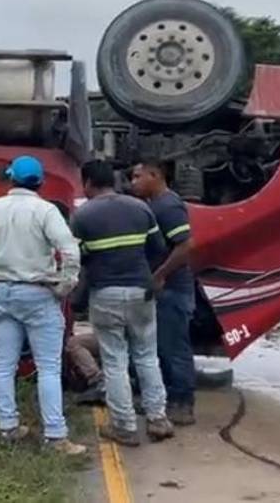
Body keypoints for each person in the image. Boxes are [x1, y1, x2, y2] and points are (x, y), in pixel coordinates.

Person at [0, 155, 87, 455]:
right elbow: (69, 250)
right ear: (39, 182)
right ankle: (55, 436)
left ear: (10, 179)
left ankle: (8, 427)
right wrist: (64, 286)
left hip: (2, 292)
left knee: (4, 364)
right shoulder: (45, 211)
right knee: (49, 368)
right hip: (38, 294)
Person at [70, 160, 174, 447]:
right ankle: (158, 419)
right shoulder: (140, 208)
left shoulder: (83, 215)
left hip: (106, 294)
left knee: (115, 361)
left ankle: (125, 427)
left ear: (88, 182)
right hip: (141, 291)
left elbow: (76, 258)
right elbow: (159, 249)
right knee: (146, 355)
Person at [131, 161, 197, 426]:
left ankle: (182, 404)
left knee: (174, 348)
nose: (132, 181)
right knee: (158, 348)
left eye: (137, 176)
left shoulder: (168, 206)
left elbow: (186, 245)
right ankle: (163, 399)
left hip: (172, 290)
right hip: (162, 290)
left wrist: (160, 275)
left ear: (155, 175)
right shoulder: (153, 204)